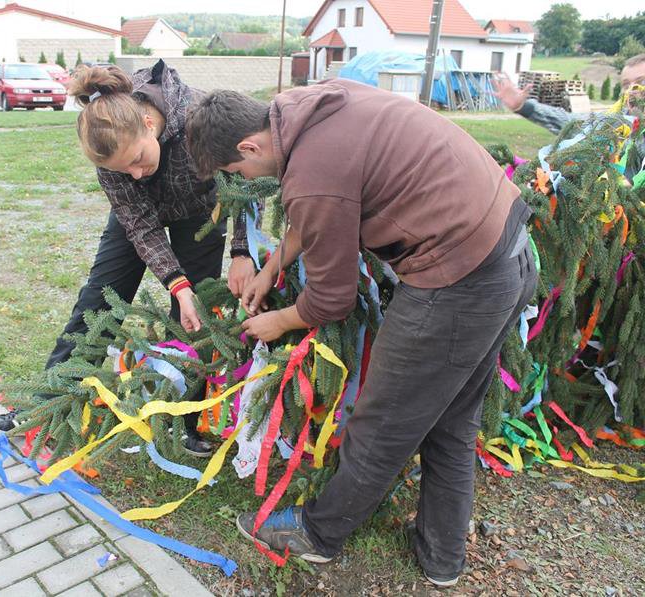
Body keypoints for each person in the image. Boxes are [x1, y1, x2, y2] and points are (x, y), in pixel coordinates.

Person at [185, 80, 539, 586]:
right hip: (506, 247)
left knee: (383, 418)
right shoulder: (307, 108)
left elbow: (332, 299)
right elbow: (324, 207)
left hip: (459, 278)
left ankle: (319, 534)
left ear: (249, 146)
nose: (239, 176)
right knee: (453, 415)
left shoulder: (311, 172)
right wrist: (272, 267)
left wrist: (277, 321)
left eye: (234, 170)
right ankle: (441, 555)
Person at [0, 61, 258, 456]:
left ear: (148, 122)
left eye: (139, 159)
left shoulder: (199, 116)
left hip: (200, 214)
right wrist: (174, 284)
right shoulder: (109, 153)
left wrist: (242, 250)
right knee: (98, 302)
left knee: (195, 316)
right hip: (137, 217)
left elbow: (243, 180)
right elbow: (141, 227)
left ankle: (182, 422)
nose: (137, 174)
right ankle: (44, 405)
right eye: (123, 169)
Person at [493, 53, 644, 185]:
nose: (632, 90)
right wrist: (523, 107)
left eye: (641, 82)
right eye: (626, 84)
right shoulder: (615, 122)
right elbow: (570, 122)